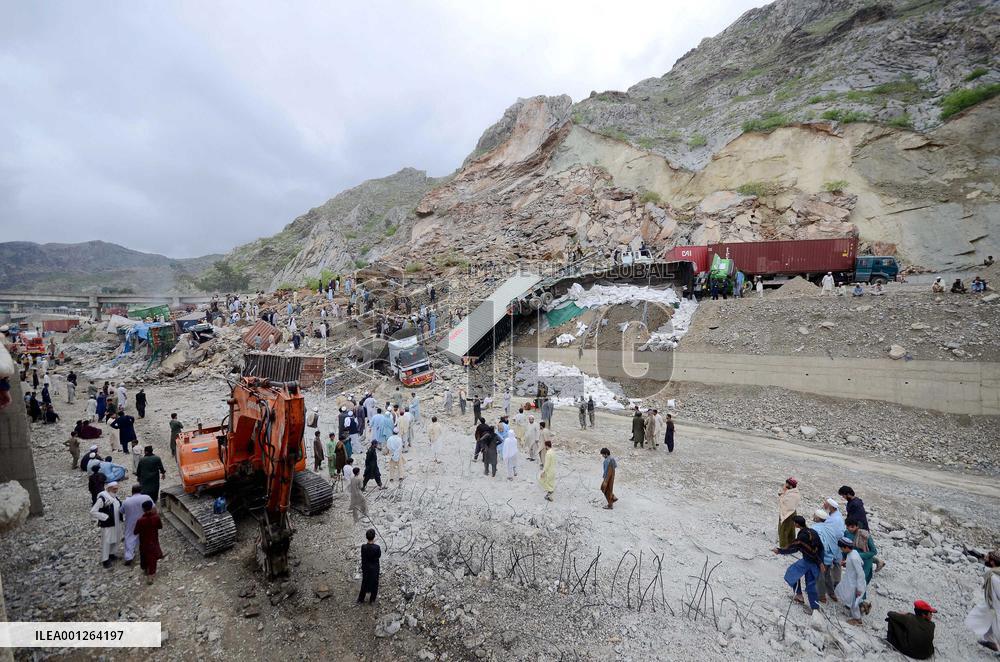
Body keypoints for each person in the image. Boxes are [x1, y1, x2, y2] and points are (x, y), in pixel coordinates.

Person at [772, 515, 824, 612]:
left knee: (792, 573)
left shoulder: (802, 536)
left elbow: (794, 548)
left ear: (796, 524)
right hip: (815, 562)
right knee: (811, 584)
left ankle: (802, 597)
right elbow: (820, 548)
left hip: (808, 561)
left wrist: (779, 551)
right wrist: (821, 562)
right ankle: (813, 606)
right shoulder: (812, 532)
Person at [966, 549, 1000, 651]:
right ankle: (992, 641)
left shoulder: (993, 576)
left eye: (987, 558)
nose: (985, 559)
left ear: (993, 562)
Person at [90, 481, 124, 568]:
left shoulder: (114, 497)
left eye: (117, 488)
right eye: (114, 488)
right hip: (108, 524)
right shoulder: (103, 498)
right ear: (109, 488)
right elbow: (93, 511)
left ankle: (112, 554)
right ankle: (105, 560)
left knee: (116, 538)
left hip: (116, 522)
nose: (116, 490)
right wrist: (105, 517)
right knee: (107, 541)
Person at [835, 537, 866, 625]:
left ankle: (857, 619)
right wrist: (846, 563)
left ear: (846, 547)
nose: (841, 550)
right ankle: (863, 608)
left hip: (855, 584)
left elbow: (860, 573)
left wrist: (859, 589)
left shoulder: (853, 557)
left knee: (853, 603)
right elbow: (861, 563)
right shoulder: (853, 553)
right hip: (850, 581)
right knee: (852, 599)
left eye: (842, 548)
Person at [121, 485, 153, 567]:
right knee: (146, 537)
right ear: (141, 491)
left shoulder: (126, 501)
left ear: (132, 491)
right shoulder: (146, 497)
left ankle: (129, 556)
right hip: (145, 520)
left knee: (130, 537)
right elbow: (153, 508)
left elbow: (121, 511)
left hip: (131, 522)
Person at [133, 500, 164, 584]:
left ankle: (145, 568)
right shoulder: (156, 517)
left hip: (143, 541)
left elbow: (135, 532)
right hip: (153, 540)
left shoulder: (140, 520)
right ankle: (151, 575)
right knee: (152, 558)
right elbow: (160, 526)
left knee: (144, 554)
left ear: (143, 509)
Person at [358, 528, 381, 603]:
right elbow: (378, 555)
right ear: (374, 537)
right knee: (375, 583)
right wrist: (374, 544)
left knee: (364, 582)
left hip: (366, 568)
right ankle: (372, 600)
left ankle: (361, 599)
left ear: (366, 537)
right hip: (374, 568)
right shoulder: (377, 548)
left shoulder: (363, 547)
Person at [778, 478, 800, 547]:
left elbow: (785, 503)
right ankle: (791, 544)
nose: (785, 485)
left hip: (788, 514)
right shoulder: (790, 492)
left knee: (783, 530)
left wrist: (782, 495)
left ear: (790, 486)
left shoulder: (793, 495)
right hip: (790, 513)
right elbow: (780, 493)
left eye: (787, 484)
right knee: (790, 529)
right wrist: (783, 492)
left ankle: (784, 547)